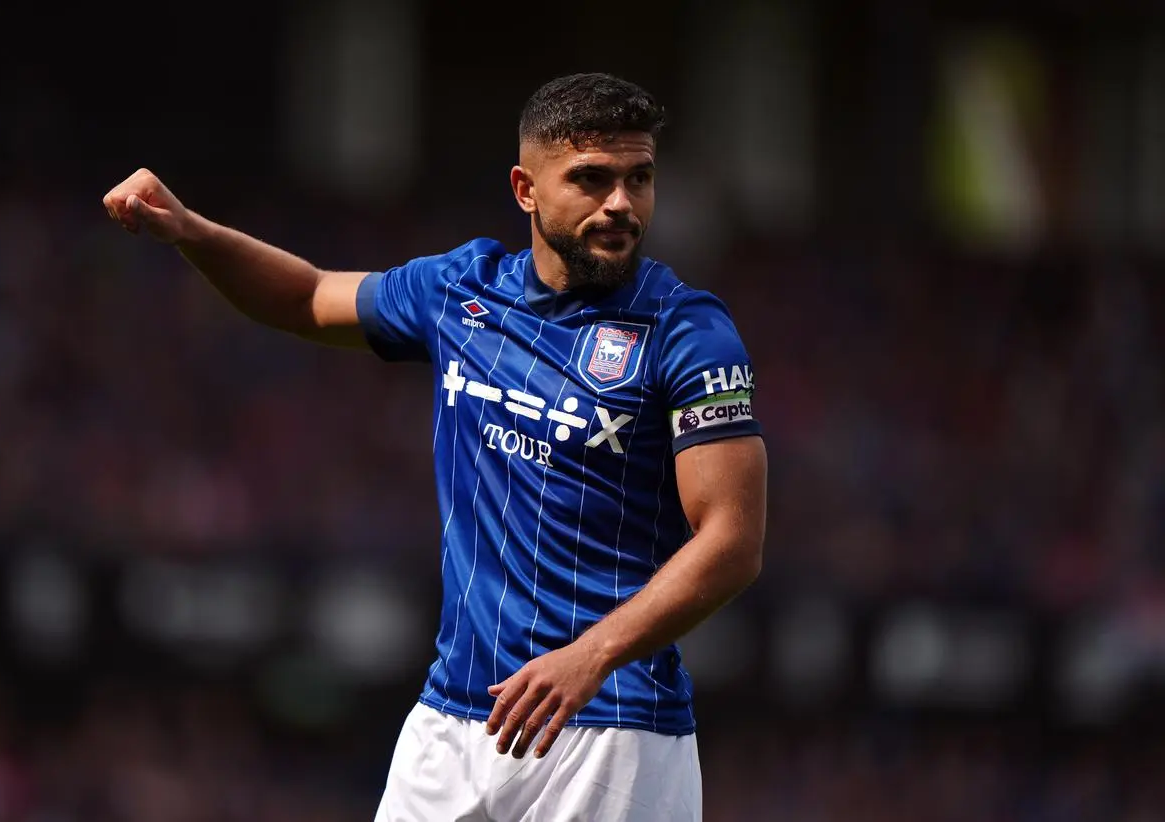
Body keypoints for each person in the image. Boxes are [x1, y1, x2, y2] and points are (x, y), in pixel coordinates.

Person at [103, 72, 767, 822]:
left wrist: (590, 657)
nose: (620, 203)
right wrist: (191, 231)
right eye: (591, 179)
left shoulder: (688, 333)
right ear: (525, 189)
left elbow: (733, 542)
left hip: (613, 734)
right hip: (454, 724)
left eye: (638, 179)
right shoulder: (461, 290)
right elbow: (304, 296)